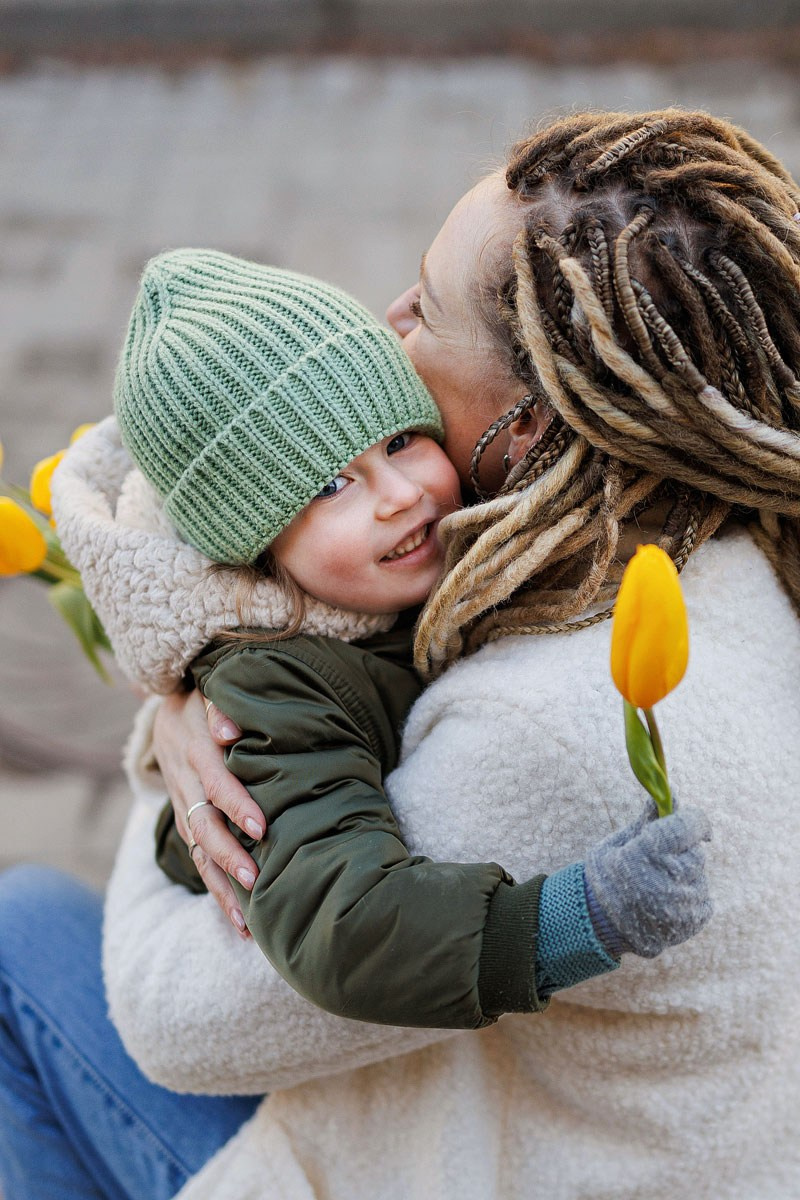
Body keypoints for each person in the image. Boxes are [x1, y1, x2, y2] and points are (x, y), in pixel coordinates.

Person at [2, 106, 800, 1199]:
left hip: (528, 1156)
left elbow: (178, 1026)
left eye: (423, 305)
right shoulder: (730, 530)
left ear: (524, 419)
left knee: (18, 934)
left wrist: (180, 757)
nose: (390, 321)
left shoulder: (547, 717)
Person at [55, 247, 706, 1035]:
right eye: (330, 487)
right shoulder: (271, 689)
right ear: (251, 543)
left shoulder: (398, 574)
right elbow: (340, 924)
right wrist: (574, 922)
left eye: (401, 440)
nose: (399, 496)